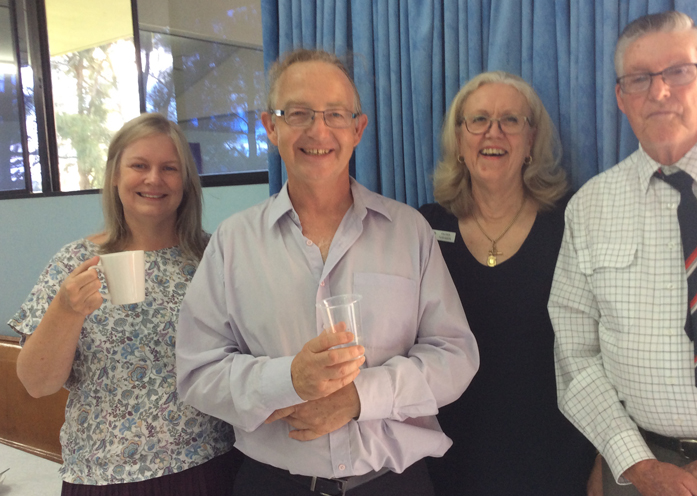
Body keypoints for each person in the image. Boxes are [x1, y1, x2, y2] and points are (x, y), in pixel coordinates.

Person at [174, 48, 479, 496]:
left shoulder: (409, 231)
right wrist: (288, 381)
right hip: (273, 484)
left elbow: (455, 356)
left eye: (335, 114)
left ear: (358, 129)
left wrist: (359, 397)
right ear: (271, 126)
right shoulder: (232, 242)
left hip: (393, 483)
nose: (318, 131)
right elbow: (197, 372)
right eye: (298, 113)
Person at [550, 10, 697, 496]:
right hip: (635, 471)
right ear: (621, 97)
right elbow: (575, 354)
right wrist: (637, 463)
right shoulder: (590, 206)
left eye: (679, 71)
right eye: (639, 78)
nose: (660, 91)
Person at [10, 113, 239, 495]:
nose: (154, 179)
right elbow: (36, 384)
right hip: (105, 476)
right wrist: (66, 310)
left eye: (169, 168)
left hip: (209, 463)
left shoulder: (214, 256)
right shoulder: (75, 262)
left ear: (186, 181)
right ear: (115, 175)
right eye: (139, 166)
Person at [419, 71, 597, 495]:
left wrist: (602, 461)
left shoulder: (573, 223)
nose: (493, 132)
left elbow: (605, 351)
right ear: (459, 140)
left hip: (556, 459)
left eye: (510, 120)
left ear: (531, 140)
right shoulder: (423, 228)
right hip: (450, 460)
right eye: (478, 119)